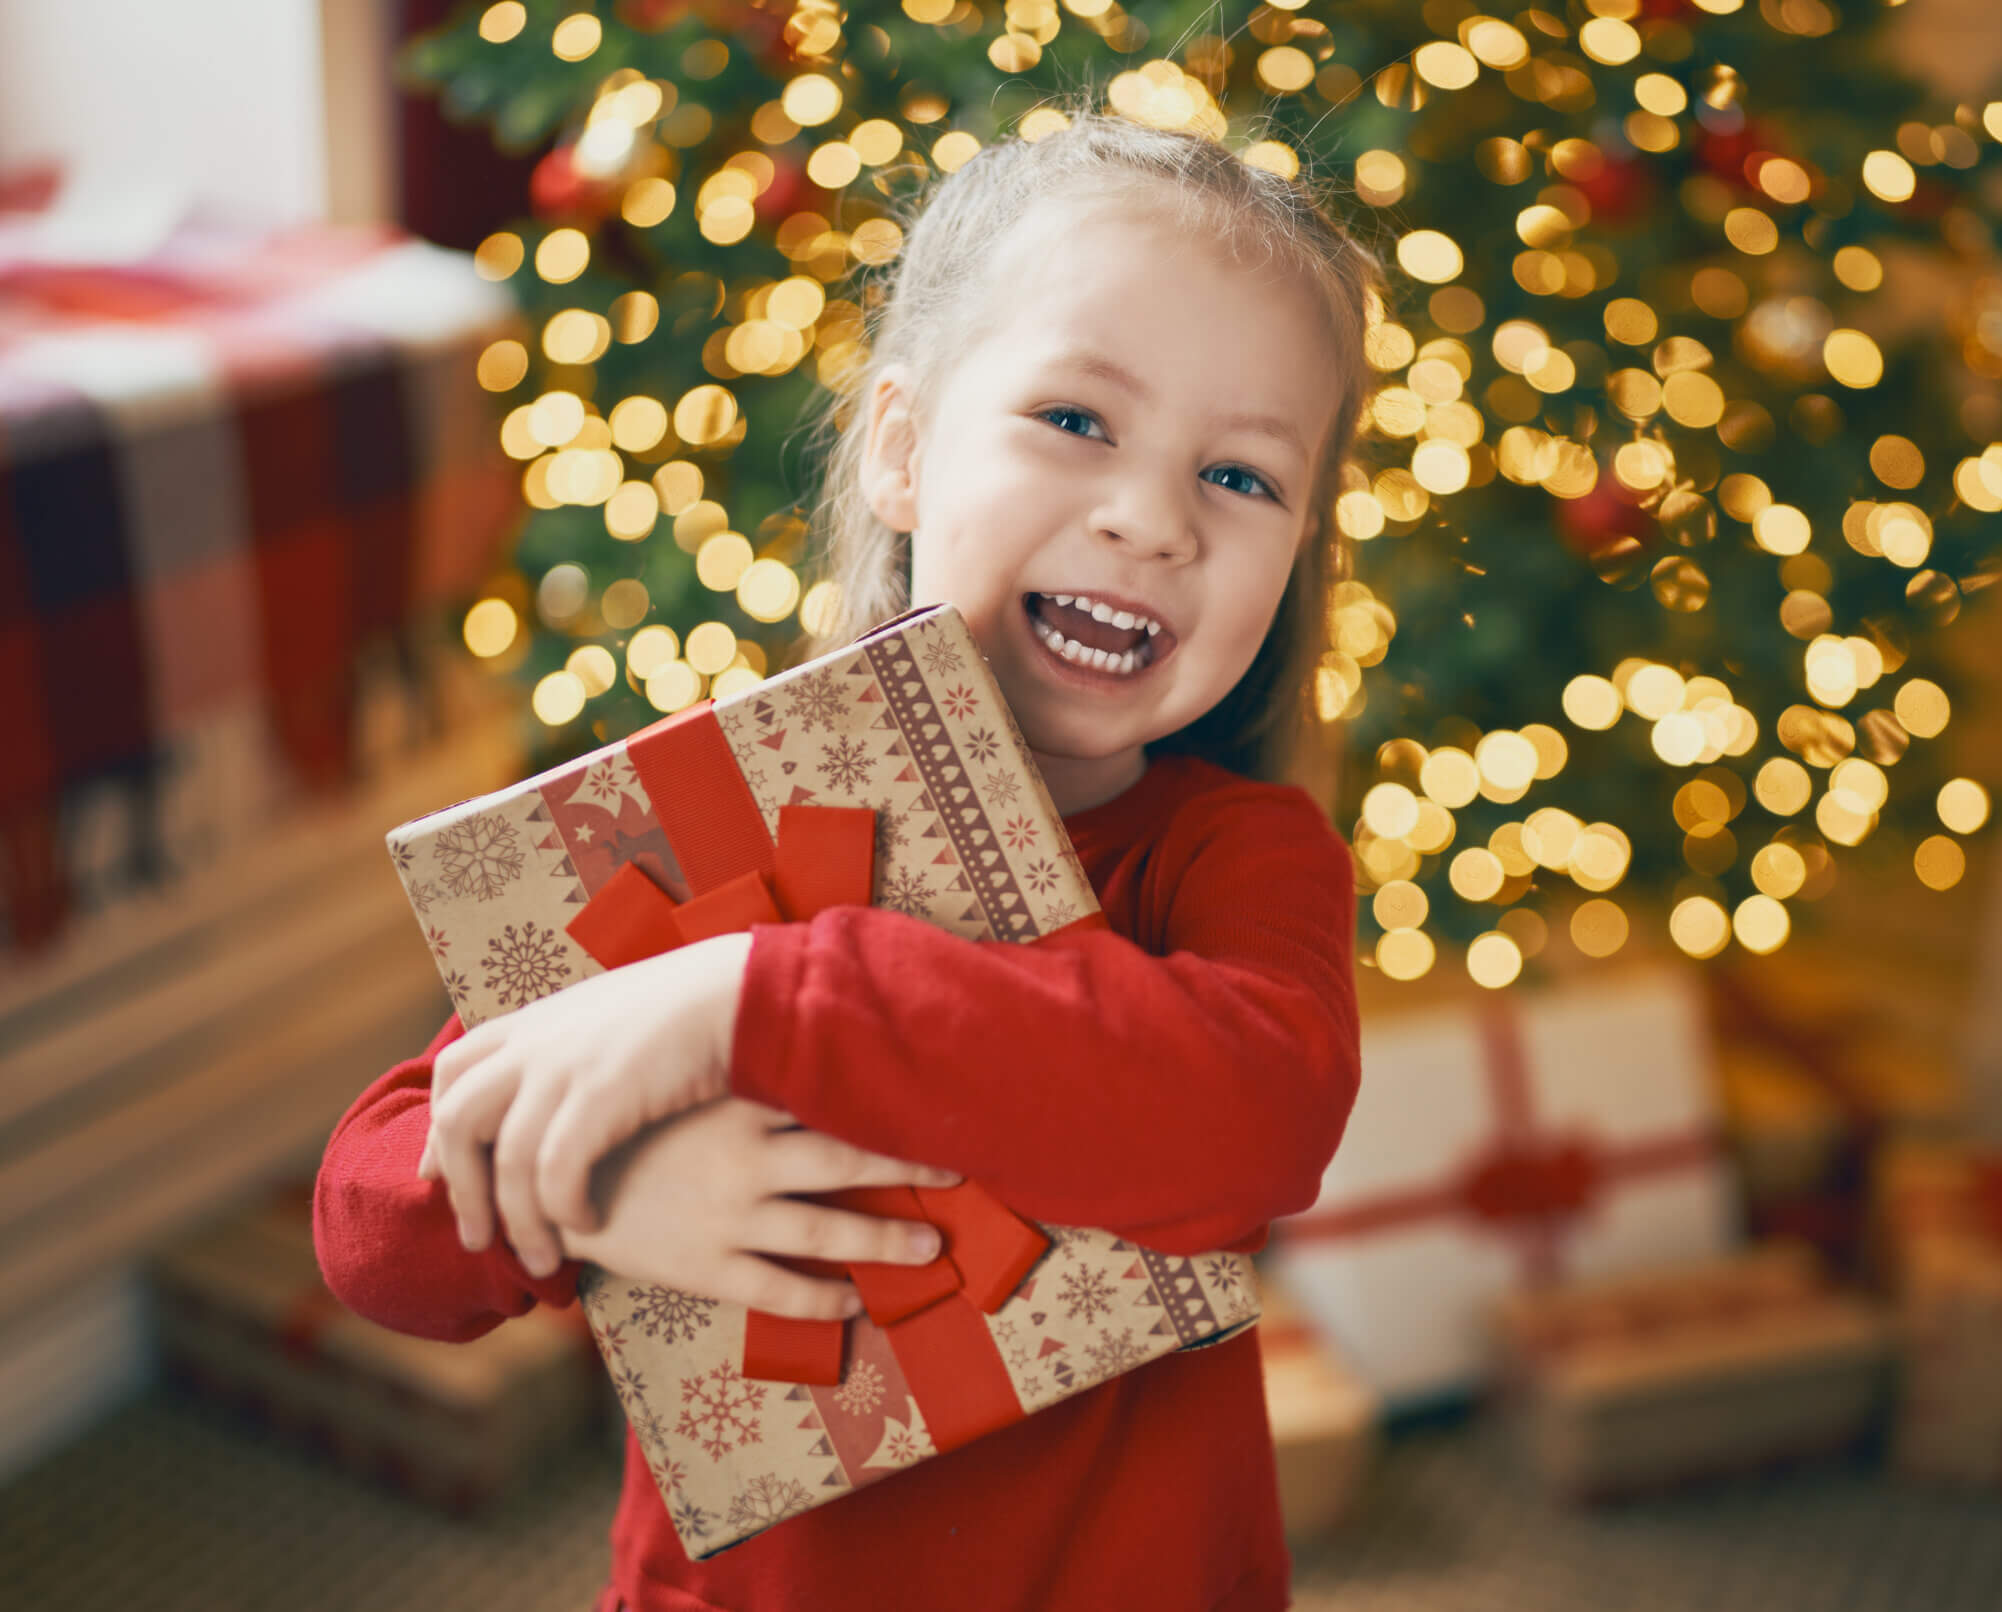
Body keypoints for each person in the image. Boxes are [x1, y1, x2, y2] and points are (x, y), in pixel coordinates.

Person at [313, 106, 1381, 1612]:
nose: (1149, 520)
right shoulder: (723, 817)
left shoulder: (1240, 858)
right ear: (901, 447)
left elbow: (1253, 1117)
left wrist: (750, 999)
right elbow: (372, 1223)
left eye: (1244, 477)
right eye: (1077, 420)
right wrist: (604, 1190)